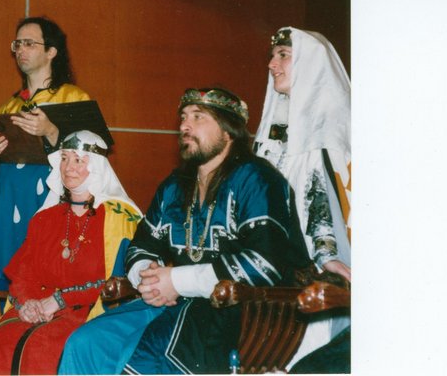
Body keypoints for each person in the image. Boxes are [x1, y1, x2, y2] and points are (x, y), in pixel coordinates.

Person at [58, 87, 310, 375]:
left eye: (198, 117)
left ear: (228, 131)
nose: (185, 126)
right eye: (183, 117)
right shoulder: (175, 185)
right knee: (85, 343)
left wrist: (177, 281)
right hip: (174, 303)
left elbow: (264, 264)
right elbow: (142, 244)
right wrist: (149, 278)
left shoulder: (258, 179)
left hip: (239, 312)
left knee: (143, 360)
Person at [0, 16, 91, 370]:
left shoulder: (74, 99)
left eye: (29, 43)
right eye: (17, 44)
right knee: (2, 281)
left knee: (43, 283)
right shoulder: (8, 107)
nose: (20, 49)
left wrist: (51, 130)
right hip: (6, 215)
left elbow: (91, 158)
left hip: (47, 209)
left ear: (51, 51)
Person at [0, 130, 142, 375]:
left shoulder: (119, 218)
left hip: (90, 313)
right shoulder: (45, 218)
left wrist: (60, 301)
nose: (68, 167)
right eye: (64, 158)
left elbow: (119, 282)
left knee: (42, 346)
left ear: (96, 167)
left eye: (78, 160)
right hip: (39, 308)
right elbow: (24, 273)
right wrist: (27, 304)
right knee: (3, 339)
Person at [254, 27, 352, 368]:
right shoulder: (272, 137)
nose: (272, 64)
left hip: (312, 271)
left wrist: (327, 255)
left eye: (283, 55)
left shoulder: (330, 134)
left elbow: (320, 196)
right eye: (272, 56)